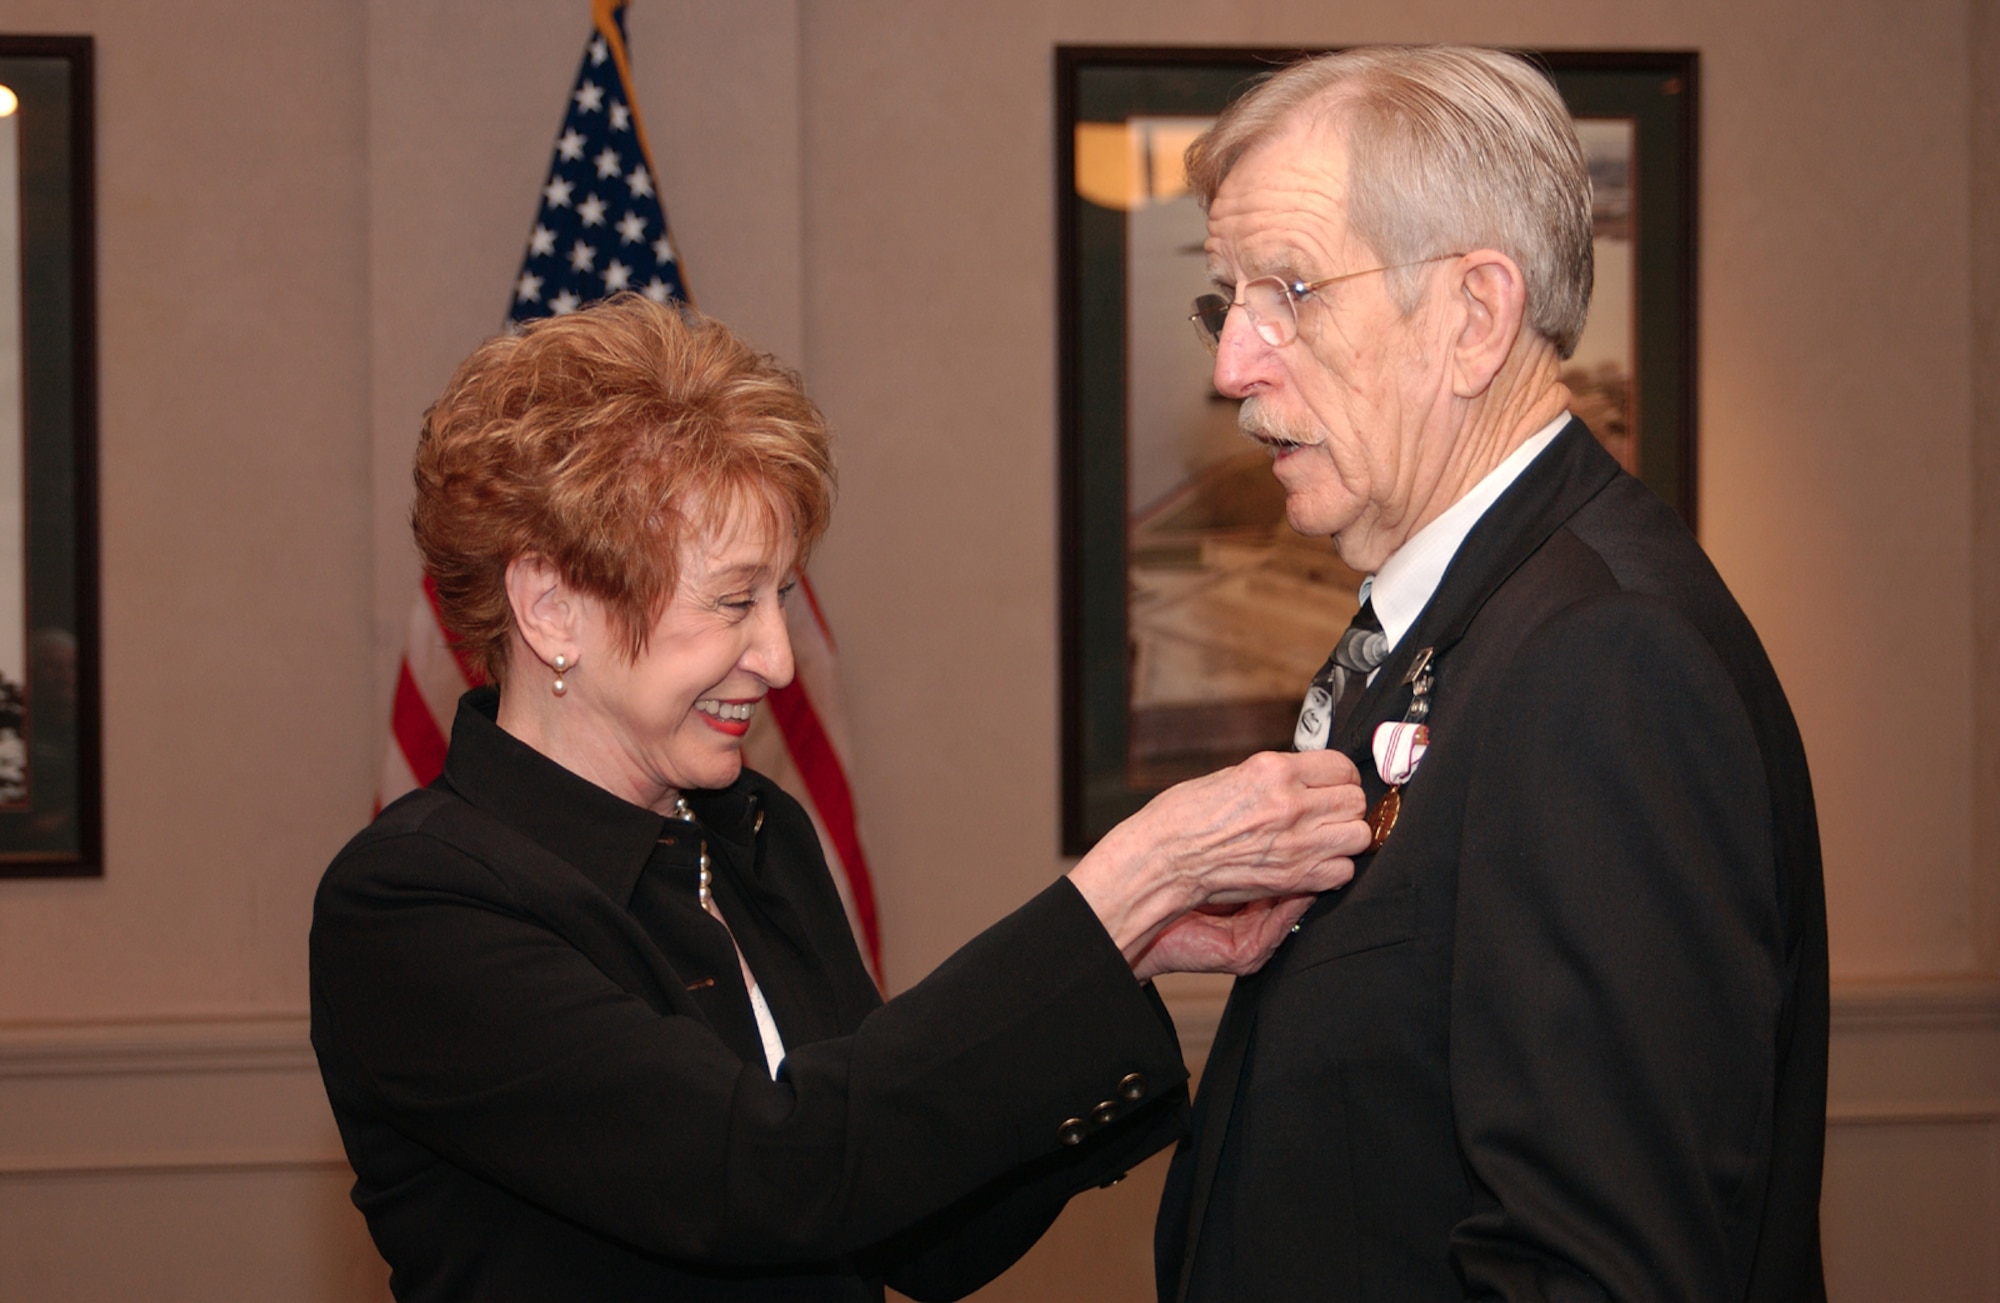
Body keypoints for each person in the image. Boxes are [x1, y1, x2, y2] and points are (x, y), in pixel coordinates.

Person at [310, 294, 1372, 1302]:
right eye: (733, 601)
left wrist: (1123, 950)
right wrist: (1118, 888)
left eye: (779, 595)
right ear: (550, 605)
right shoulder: (415, 903)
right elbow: (763, 1172)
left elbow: (922, 1230)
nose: (775, 656)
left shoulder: (749, 834)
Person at [1153, 46, 1828, 1302]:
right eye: (1227, 300)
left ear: (1473, 315)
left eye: (1288, 291)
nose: (1231, 365)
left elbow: (1597, 1268)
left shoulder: (1600, 666)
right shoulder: (1460, 622)